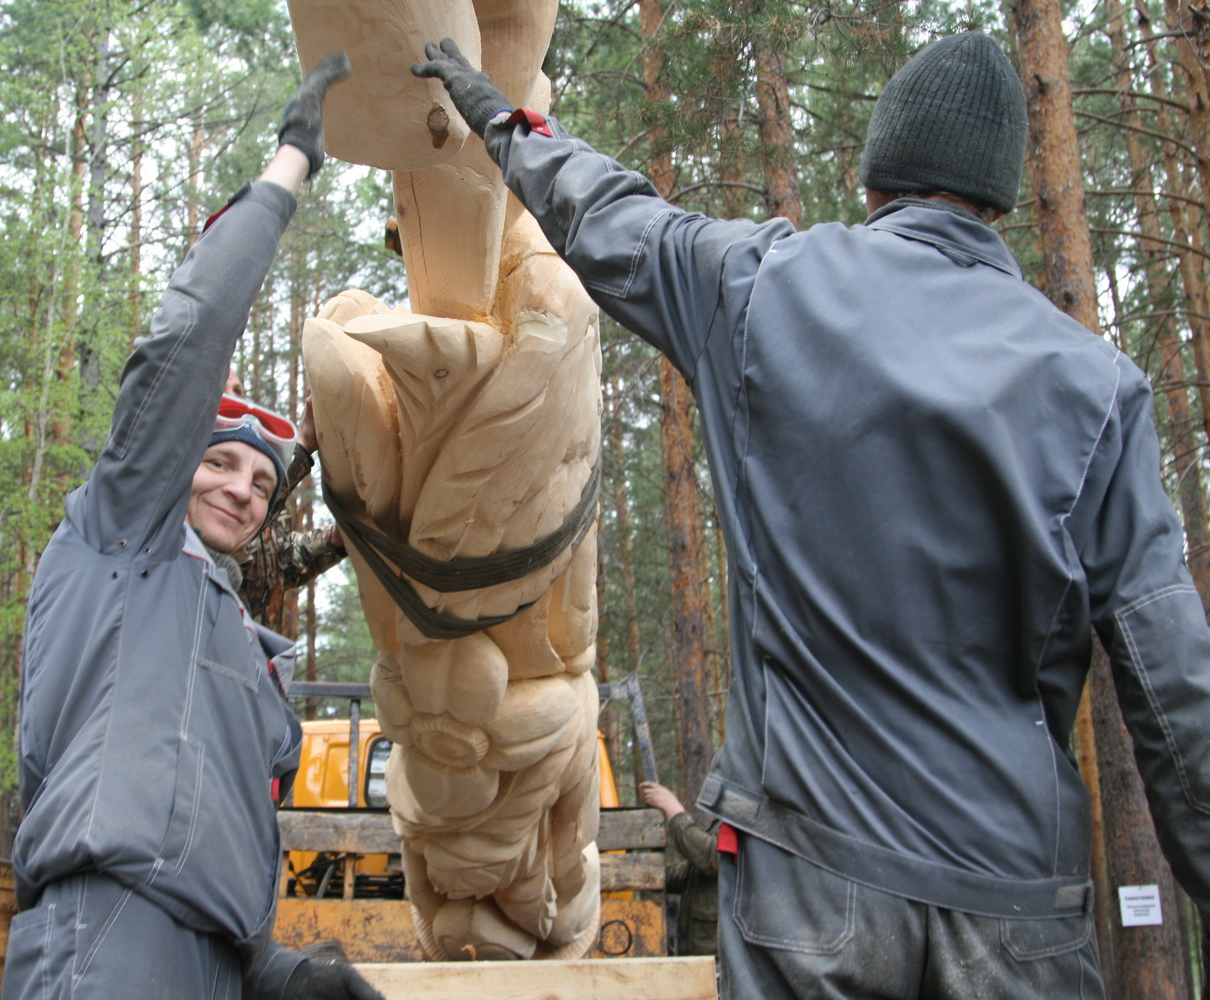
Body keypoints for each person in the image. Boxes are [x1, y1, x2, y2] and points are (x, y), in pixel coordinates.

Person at [413, 31, 1210, 998]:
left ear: (876, 178)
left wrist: (498, 116)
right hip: (1015, 898)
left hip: (810, 882)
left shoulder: (759, 285)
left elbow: (606, 211)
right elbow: (1174, 687)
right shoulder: (1100, 387)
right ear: (998, 198)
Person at [3, 53, 384, 1000]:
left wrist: (272, 970)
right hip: (112, 936)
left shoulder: (237, 644)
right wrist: (289, 167)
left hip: (220, 963)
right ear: (173, 466)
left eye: (261, 482)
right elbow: (186, 338)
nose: (241, 490)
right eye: (216, 463)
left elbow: (214, 829)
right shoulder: (122, 537)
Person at [225, 374, 347, 629]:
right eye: (221, 390)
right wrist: (303, 446)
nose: (234, 400)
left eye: (238, 391)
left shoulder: (255, 469)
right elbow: (225, 535)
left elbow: (281, 561)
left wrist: (333, 541)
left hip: (261, 651)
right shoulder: (185, 476)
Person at [639, 781, 718, 958]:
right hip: (703, 955)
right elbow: (693, 873)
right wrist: (643, 873)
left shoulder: (750, 818)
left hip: (721, 960)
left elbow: (711, 857)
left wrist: (673, 809)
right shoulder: (731, 819)